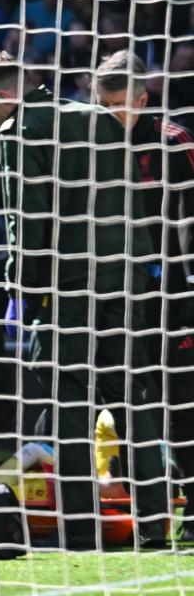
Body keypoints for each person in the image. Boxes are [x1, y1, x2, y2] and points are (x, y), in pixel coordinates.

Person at [0, 51, 166, 548]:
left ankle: (81, 530)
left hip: (69, 287)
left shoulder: (19, 130)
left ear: (5, 96)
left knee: (70, 406)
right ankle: (155, 526)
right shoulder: (97, 116)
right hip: (125, 277)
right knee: (132, 400)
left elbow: (26, 221)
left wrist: (26, 292)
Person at [95, 50, 194, 540]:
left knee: (182, 406)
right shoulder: (91, 145)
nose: (113, 114)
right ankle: (149, 520)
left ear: (142, 98)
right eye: (103, 104)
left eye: (119, 104)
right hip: (115, 299)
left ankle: (190, 513)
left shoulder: (174, 143)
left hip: (172, 297)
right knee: (128, 408)